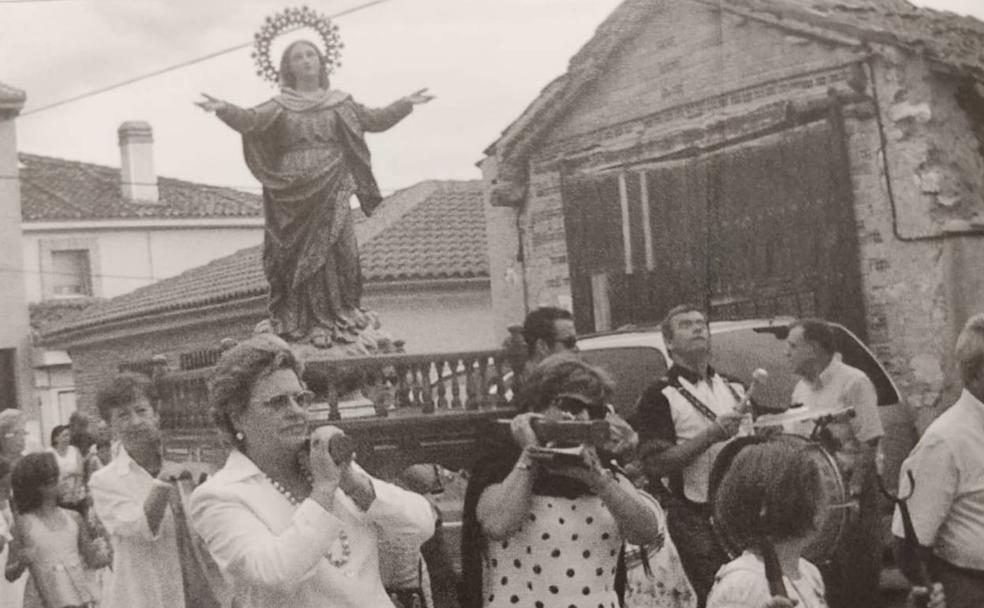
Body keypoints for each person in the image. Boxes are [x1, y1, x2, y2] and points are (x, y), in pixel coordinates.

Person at [195, 39, 433, 348]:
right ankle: (304, 322)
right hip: (292, 190)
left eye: (311, 55)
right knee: (295, 258)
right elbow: (251, 121)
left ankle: (341, 315)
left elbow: (374, 119)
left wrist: (405, 103)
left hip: (333, 183)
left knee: (342, 251)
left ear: (321, 62)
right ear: (288, 67)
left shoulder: (341, 102)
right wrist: (224, 109)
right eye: (298, 57)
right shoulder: (279, 106)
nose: (306, 61)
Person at [189, 333, 435, 608]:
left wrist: (354, 484)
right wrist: (323, 492)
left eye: (300, 398)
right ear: (237, 417)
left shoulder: (328, 466)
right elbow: (275, 573)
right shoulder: (217, 497)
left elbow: (421, 525)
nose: (296, 411)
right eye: (277, 402)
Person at [461, 354, 664, 608]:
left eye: (594, 409)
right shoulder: (501, 466)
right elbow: (498, 525)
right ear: (537, 406)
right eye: (569, 405)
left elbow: (645, 531)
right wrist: (532, 456)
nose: (580, 416)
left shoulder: (604, 470)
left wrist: (598, 480)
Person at [629, 304, 749, 607]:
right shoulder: (659, 396)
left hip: (742, 513)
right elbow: (655, 464)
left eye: (701, 324)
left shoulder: (736, 388)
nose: (698, 329)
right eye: (686, 325)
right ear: (669, 343)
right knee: (712, 596)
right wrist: (711, 436)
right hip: (694, 518)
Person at [785, 318, 884, 608]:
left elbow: (870, 440)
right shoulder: (800, 390)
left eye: (792, 346)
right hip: (818, 494)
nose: (786, 353)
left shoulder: (854, 381)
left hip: (854, 494)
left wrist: (853, 494)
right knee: (826, 577)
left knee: (857, 577)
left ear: (813, 349)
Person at [893, 313, 984, 608]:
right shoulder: (944, 442)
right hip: (970, 589)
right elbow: (908, 540)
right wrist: (935, 594)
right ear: (979, 373)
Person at [88, 373, 185, 608]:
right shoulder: (104, 481)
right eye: (123, 415)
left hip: (195, 591)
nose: (135, 421)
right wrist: (162, 482)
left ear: (156, 414)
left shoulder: (187, 461)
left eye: (141, 411)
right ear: (111, 426)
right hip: (140, 598)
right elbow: (140, 528)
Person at [5, 452, 109, 608]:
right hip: (41, 599)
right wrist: (21, 563)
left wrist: (108, 547)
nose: (64, 482)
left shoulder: (74, 518)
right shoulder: (22, 524)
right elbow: (9, 574)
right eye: (58, 478)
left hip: (76, 597)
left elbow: (92, 560)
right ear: (42, 486)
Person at [48, 425, 86, 516]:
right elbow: (50, 476)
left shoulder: (74, 450)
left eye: (68, 435)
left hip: (77, 495)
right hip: (59, 497)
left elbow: (80, 473)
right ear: (55, 438)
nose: (67, 438)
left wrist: (75, 493)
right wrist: (71, 473)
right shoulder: (49, 453)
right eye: (64, 436)